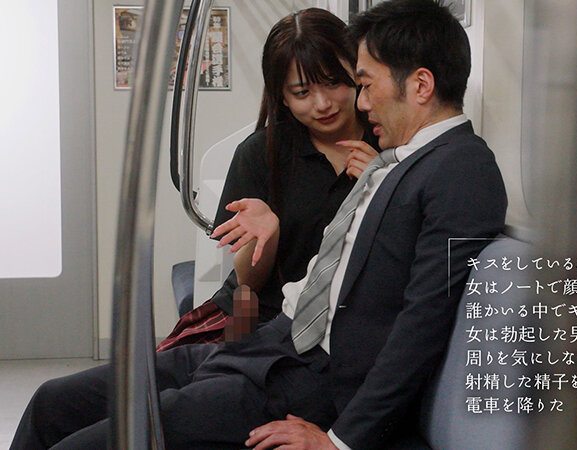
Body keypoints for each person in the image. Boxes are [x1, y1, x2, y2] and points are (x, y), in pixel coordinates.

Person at [11, 1, 507, 448]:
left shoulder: (461, 169)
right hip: (268, 342)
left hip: (307, 371)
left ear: (420, 85)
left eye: (364, 84)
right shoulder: (400, 161)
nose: (358, 102)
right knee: (55, 402)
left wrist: (342, 441)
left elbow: (424, 318)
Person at [156, 7, 380, 351]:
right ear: (283, 98)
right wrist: (267, 236)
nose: (322, 104)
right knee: (147, 377)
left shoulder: (389, 145)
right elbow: (248, 284)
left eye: (333, 82)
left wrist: (384, 184)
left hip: (344, 328)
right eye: (302, 93)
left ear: (356, 72)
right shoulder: (260, 153)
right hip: (260, 318)